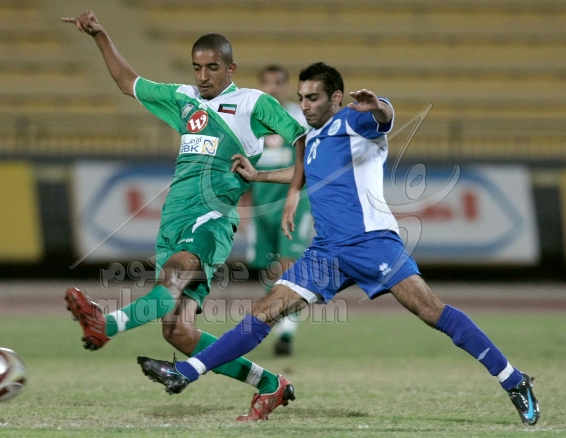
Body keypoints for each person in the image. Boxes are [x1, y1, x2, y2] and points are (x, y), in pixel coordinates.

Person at [137, 62, 541, 426]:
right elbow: (305, 174)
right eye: (301, 98)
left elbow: (384, 118)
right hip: (327, 251)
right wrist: (259, 176)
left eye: (312, 98)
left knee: (431, 311)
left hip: (371, 243)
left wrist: (379, 105)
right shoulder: (312, 139)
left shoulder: (354, 120)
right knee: (263, 312)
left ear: (334, 98)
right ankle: (185, 372)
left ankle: (513, 379)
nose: (305, 105)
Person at [61, 11, 307, 421]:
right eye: (197, 67)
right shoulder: (183, 98)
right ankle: (270, 384)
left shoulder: (253, 103)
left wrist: (284, 185)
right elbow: (128, 83)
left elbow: (304, 141)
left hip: (212, 217)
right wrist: (100, 36)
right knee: (178, 331)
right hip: (172, 220)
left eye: (213, 67)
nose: (204, 76)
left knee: (173, 279)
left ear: (231, 68)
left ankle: (106, 324)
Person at [245, 65, 312, 356]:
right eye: (267, 82)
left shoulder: (299, 118)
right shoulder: (249, 120)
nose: (273, 87)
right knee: (271, 269)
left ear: (286, 86)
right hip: (261, 205)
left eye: (278, 82)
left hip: (293, 202)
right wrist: (242, 204)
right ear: (260, 86)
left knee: (288, 265)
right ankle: (276, 321)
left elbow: (309, 161)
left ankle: (286, 331)